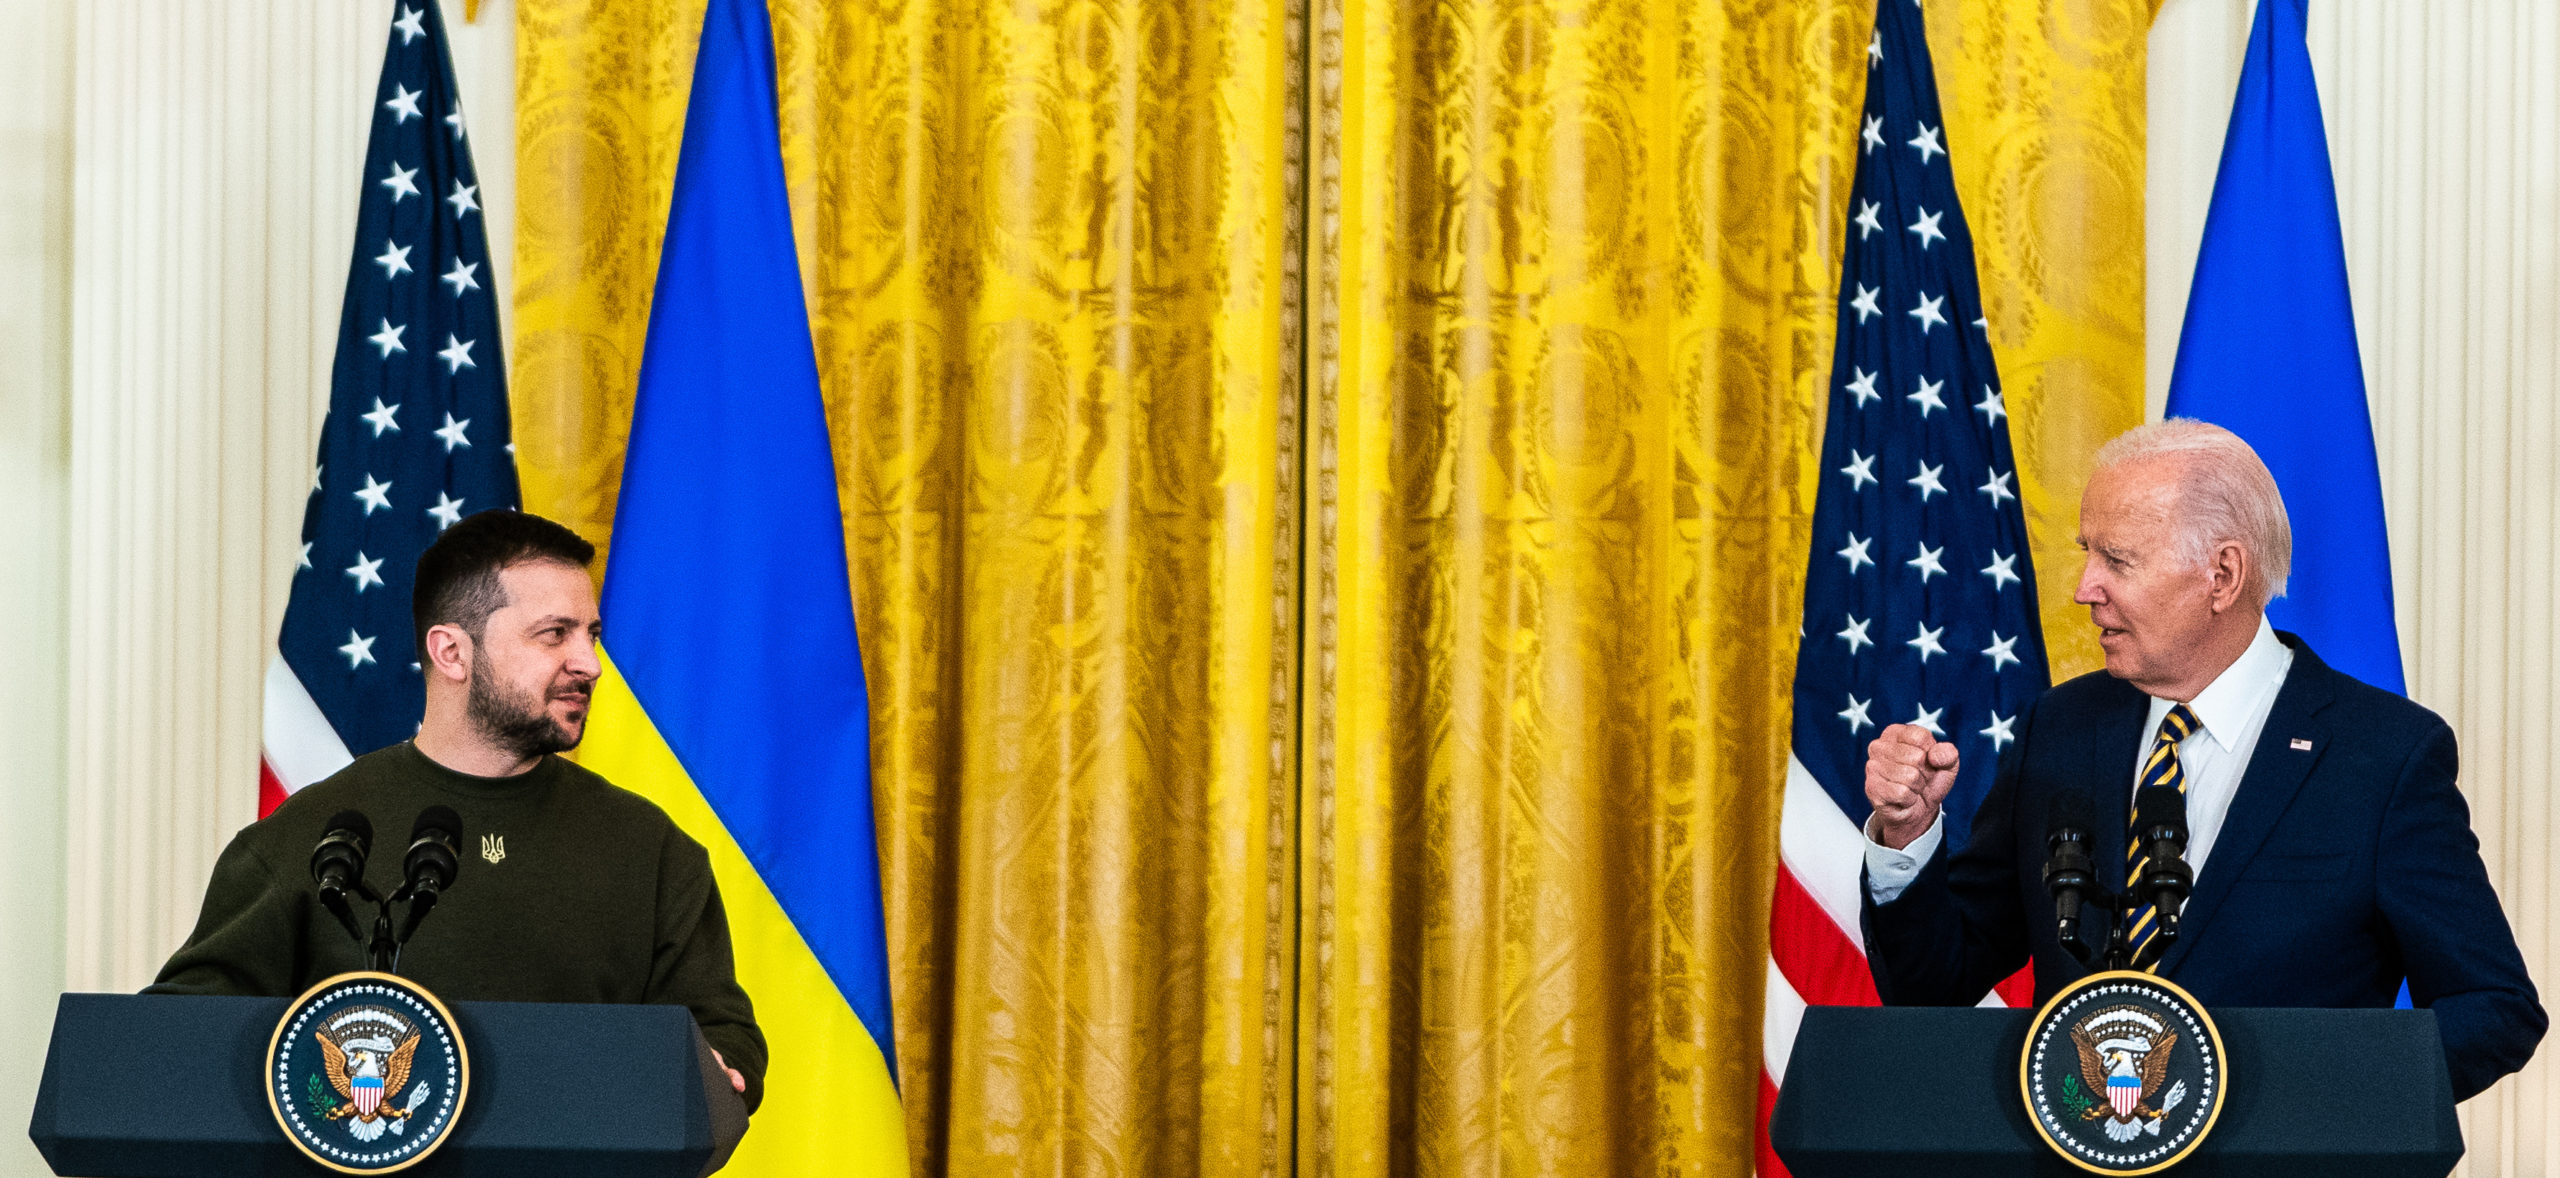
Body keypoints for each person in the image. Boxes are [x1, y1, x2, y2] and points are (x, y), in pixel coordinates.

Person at [1860, 419, 2542, 1101]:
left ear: (2222, 575)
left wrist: (2317, 1107)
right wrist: (1908, 834)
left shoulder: (2383, 756)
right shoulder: (2060, 728)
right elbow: (1935, 983)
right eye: (2087, 553)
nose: (2085, 588)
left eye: (2117, 560)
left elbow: (2492, 1007)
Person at [151, 509, 766, 1114]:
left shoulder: (650, 848)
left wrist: (715, 1066)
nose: (590, 664)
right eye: (555, 634)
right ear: (451, 652)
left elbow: (724, 1039)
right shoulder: (316, 837)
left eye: (592, 634)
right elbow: (181, 1042)